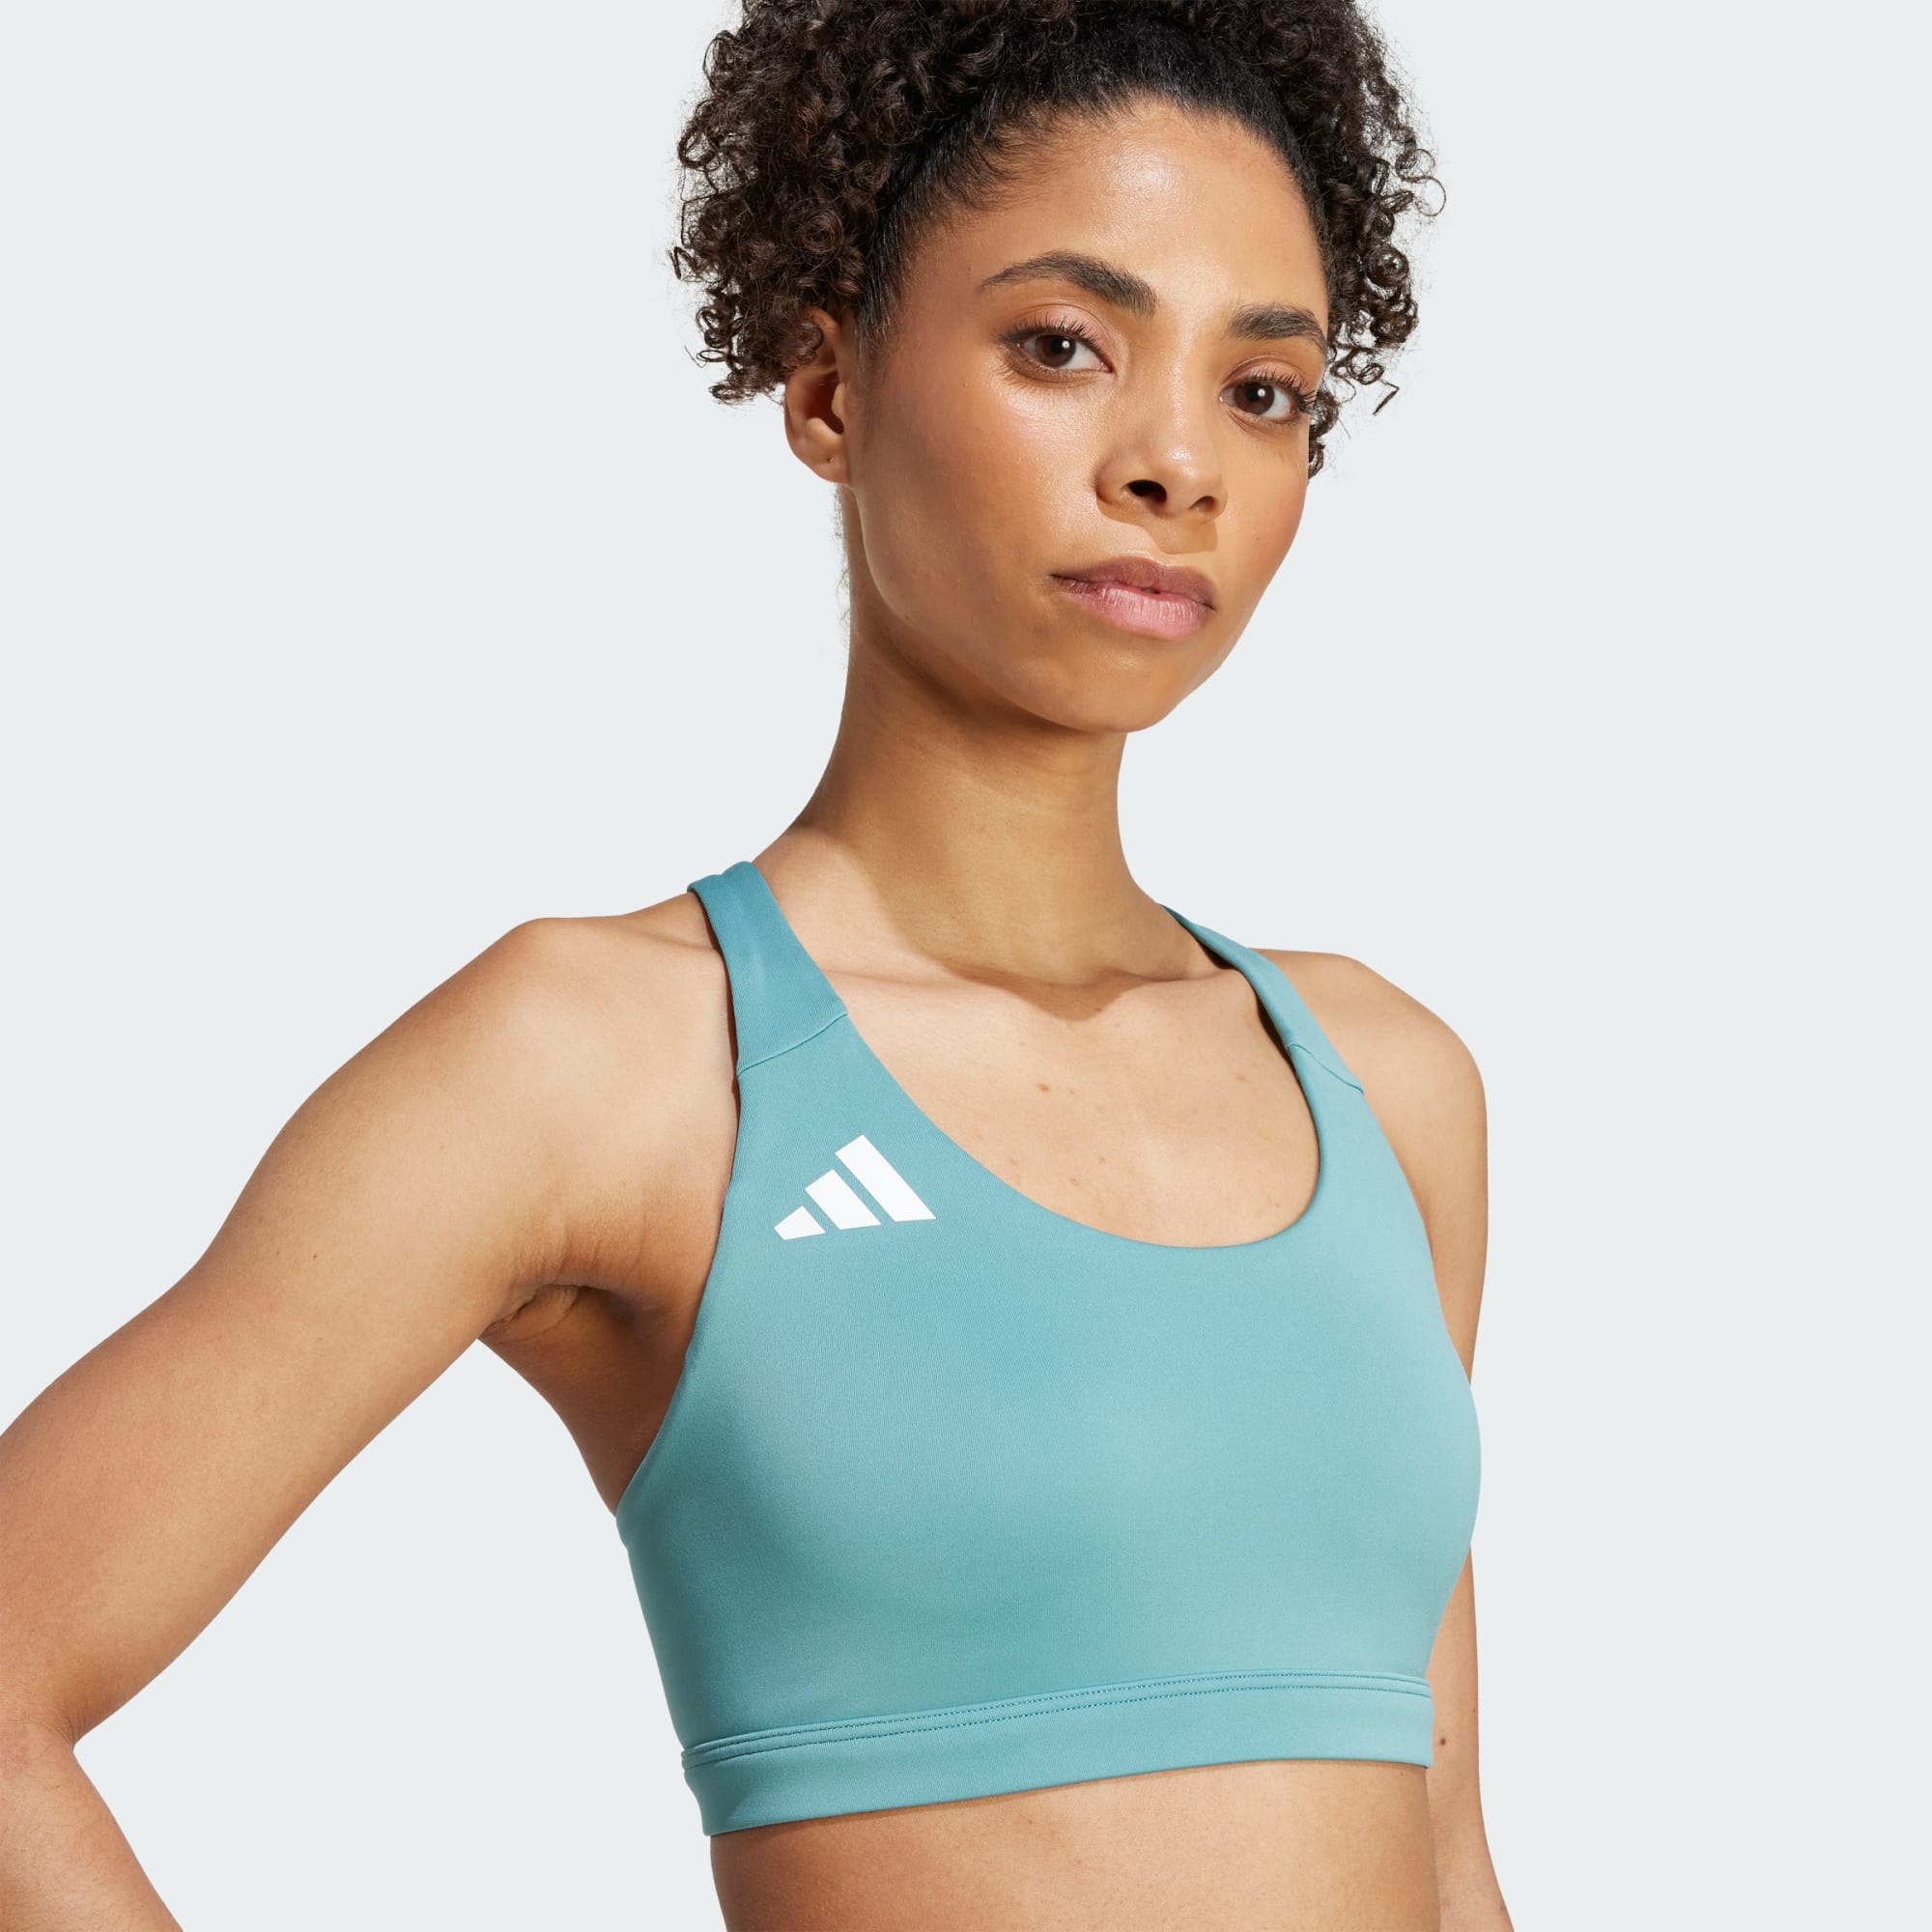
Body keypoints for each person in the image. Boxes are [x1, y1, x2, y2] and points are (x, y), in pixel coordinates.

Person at [0, 3, 1512, 1926]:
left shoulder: (1387, 1086)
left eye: (1265, 389)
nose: (1174, 462)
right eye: (1063, 346)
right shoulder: (611, 1059)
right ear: (827, 385)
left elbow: (1446, 1854)